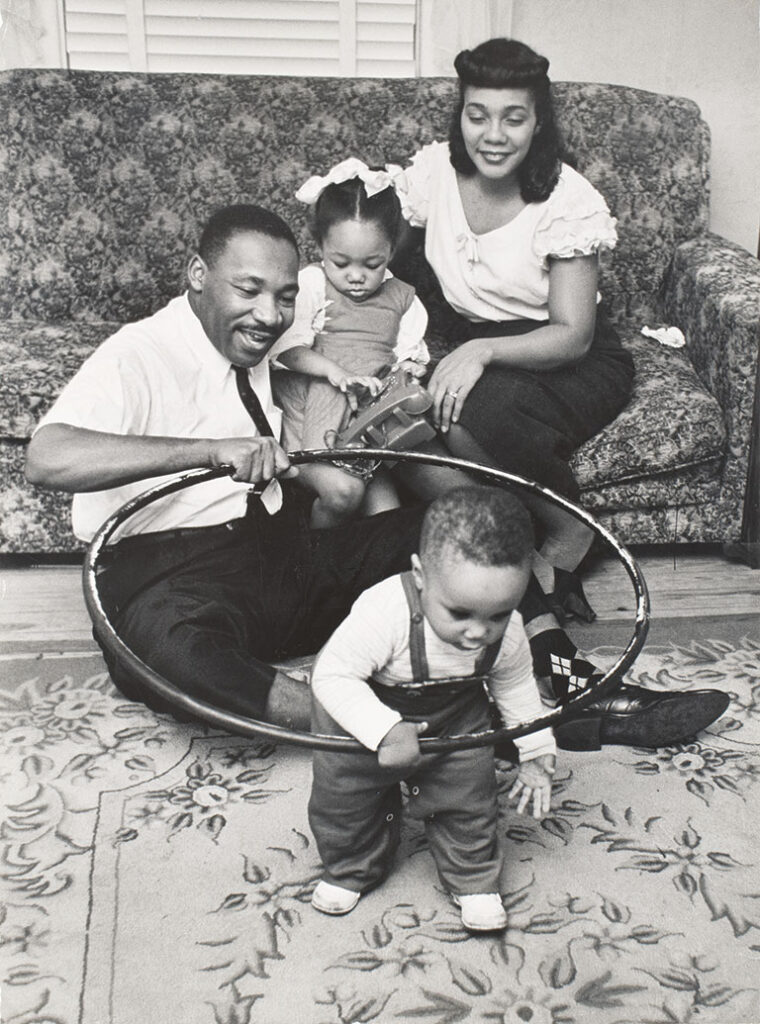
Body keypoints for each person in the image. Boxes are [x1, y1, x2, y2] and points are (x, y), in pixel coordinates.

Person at [24, 202, 728, 750]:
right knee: (175, 656)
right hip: (162, 574)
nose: (269, 315)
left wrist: (340, 455)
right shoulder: (138, 353)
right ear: (196, 276)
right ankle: (391, 730)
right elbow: (48, 456)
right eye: (247, 290)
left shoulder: (262, 345)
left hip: (272, 551)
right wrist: (205, 448)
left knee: (462, 526)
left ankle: (567, 686)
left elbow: (307, 416)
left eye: (283, 296)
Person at [385, 37, 731, 740]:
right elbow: (390, 272)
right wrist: (398, 351)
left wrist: (479, 350)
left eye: (513, 117)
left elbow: (572, 332)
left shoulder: (566, 196)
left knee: (480, 410)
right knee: (437, 429)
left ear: (539, 120)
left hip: (570, 358)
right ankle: (566, 668)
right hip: (481, 349)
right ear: (461, 116)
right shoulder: (433, 177)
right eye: (478, 116)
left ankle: (569, 531)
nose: (493, 135)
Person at [309, 486, 556, 932]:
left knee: (470, 798)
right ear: (420, 575)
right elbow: (331, 676)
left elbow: (515, 684)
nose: (478, 633)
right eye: (459, 613)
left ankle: (473, 879)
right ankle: (351, 867)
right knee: (344, 800)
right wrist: (384, 729)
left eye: (498, 614)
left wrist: (536, 752)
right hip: (364, 706)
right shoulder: (383, 612)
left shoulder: (510, 632)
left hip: (454, 714)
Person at [269, 158, 429, 527]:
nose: (355, 276)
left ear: (392, 249)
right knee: (344, 494)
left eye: (372, 264)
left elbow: (407, 361)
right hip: (311, 408)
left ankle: (375, 577)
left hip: (365, 421)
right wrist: (335, 373)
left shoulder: (404, 299)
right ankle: (319, 559)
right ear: (321, 245)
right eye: (340, 262)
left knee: (387, 516)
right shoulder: (311, 285)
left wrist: (405, 374)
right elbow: (286, 352)